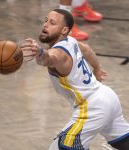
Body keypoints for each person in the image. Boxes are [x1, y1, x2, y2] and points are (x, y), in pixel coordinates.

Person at [21, 9, 129, 150]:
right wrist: (97, 69)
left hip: (92, 107)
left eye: (52, 23)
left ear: (64, 30)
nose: (45, 25)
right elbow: (87, 49)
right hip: (108, 97)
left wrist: (40, 53)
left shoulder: (59, 53)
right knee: (124, 142)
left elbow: (48, 59)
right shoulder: (71, 41)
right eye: (46, 20)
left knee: (62, 147)